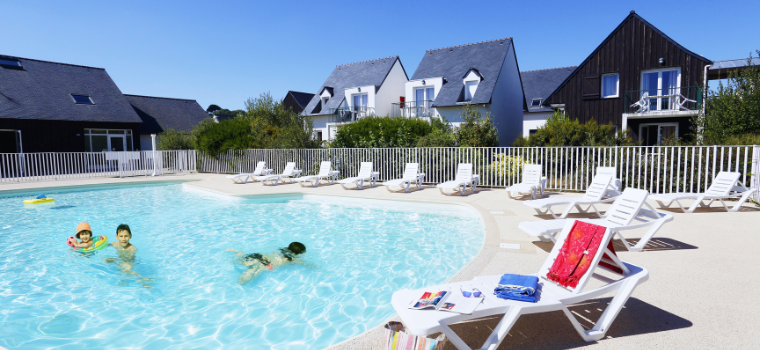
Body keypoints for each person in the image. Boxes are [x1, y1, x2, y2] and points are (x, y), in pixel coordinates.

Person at [226, 242, 306, 285]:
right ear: (298, 253)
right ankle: (255, 263)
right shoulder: (291, 259)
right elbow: (303, 263)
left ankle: (238, 252)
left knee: (237, 260)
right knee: (242, 282)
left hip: (259, 255)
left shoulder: (281, 249)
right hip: (266, 264)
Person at [104, 224, 152, 288]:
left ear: (130, 236)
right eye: (121, 236)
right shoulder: (114, 244)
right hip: (120, 260)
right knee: (104, 260)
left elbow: (127, 259)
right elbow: (104, 246)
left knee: (127, 268)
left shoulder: (132, 249)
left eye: (126, 236)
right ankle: (141, 279)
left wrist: (113, 259)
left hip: (130, 261)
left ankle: (142, 281)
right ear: (117, 236)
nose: (123, 239)